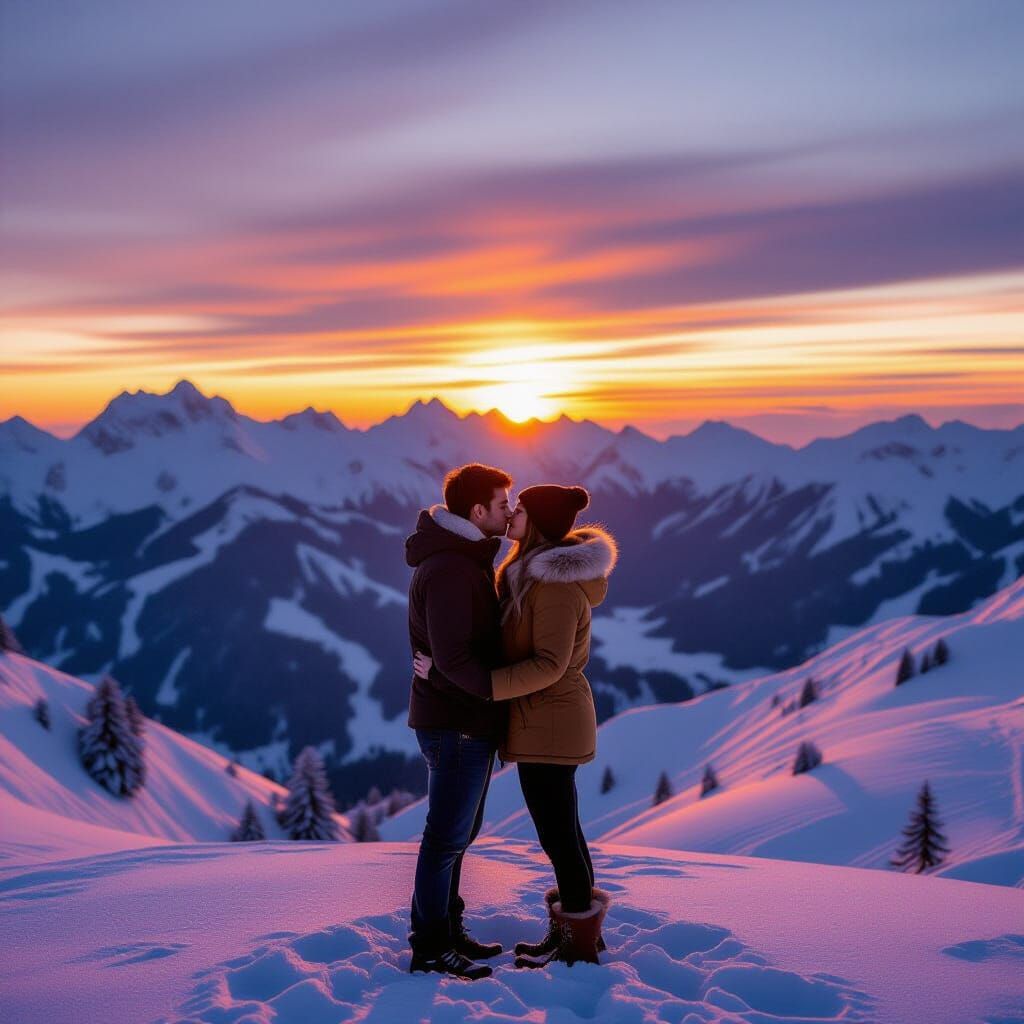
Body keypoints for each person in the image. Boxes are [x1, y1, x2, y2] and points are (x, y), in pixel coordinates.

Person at [415, 483, 617, 968]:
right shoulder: (530, 576)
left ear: (540, 523)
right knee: (562, 830)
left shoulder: (553, 585)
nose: (512, 516)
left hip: (550, 720)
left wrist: (479, 683)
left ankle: (577, 945)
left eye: (520, 510)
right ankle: (577, 936)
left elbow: (549, 663)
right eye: (510, 506)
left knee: (559, 834)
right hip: (540, 719)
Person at [405, 462, 512, 980]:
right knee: (445, 838)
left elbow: (447, 657)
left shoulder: (462, 560)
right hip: (457, 725)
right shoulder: (451, 567)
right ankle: (429, 948)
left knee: (457, 836)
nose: (509, 511)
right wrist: (496, 690)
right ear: (477, 511)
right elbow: (452, 657)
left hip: (461, 720)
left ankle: (447, 931)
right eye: (502, 504)